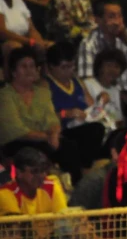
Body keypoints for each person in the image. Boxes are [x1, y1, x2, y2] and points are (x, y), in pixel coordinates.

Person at [0, 47, 81, 184]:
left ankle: (75, 187)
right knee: (37, 151)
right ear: (14, 71)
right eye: (24, 66)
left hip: (44, 139)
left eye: (32, 66)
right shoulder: (5, 95)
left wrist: (54, 135)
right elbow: (15, 129)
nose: (29, 70)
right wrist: (46, 137)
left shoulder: (42, 92)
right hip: (16, 142)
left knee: (69, 146)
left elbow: (52, 120)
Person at [44, 43, 105, 176]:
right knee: (79, 140)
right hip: (60, 131)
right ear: (51, 67)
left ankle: (87, 169)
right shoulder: (45, 86)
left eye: (72, 66)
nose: (70, 71)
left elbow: (91, 107)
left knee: (98, 129)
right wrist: (66, 114)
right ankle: (81, 174)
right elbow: (44, 117)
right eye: (64, 67)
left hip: (80, 127)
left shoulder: (76, 81)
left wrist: (101, 101)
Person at [0, 0, 52, 75]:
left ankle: (46, 83)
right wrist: (30, 42)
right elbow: (2, 32)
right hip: (6, 43)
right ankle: (10, 84)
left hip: (25, 41)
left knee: (50, 46)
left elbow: (31, 29)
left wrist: (38, 41)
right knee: (15, 47)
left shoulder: (18, 0)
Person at [0, 147, 66, 216]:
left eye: (43, 170)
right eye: (35, 171)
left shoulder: (51, 187)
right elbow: (18, 226)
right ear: (19, 173)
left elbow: (64, 222)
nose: (42, 175)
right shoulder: (5, 194)